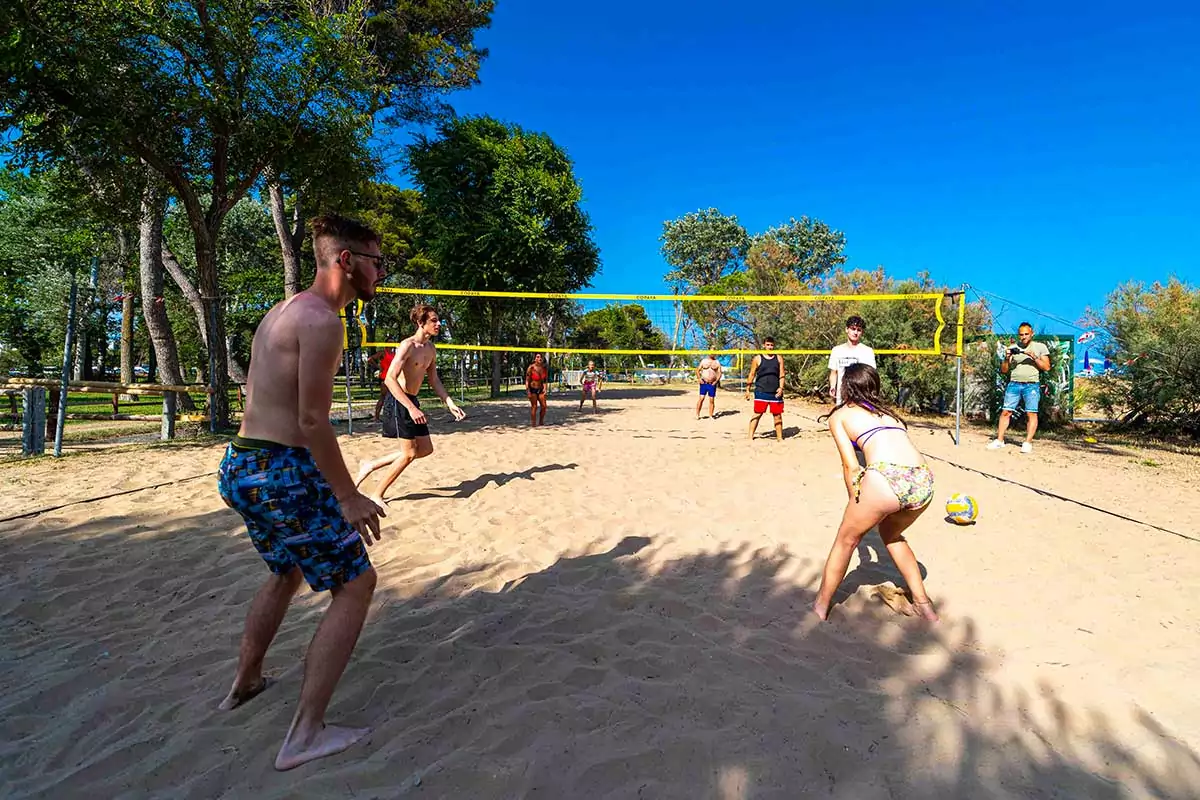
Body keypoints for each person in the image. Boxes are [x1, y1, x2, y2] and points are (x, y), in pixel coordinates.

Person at [216, 214, 388, 770]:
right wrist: (347, 495)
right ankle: (306, 733)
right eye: (376, 261)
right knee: (358, 582)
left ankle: (246, 680)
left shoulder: (285, 309)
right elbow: (314, 422)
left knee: (285, 571)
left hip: (241, 464)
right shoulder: (322, 321)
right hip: (279, 468)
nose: (381, 273)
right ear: (346, 261)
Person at [812, 363, 939, 623]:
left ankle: (820, 608)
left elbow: (851, 465)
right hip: (923, 480)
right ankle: (925, 607)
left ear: (846, 388)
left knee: (846, 540)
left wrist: (855, 501)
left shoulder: (840, 415)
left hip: (885, 478)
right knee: (891, 534)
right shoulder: (891, 415)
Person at [354, 304, 466, 502]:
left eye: (438, 320)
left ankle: (370, 465)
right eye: (433, 320)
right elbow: (390, 378)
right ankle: (376, 495)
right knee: (408, 454)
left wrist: (449, 402)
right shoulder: (408, 345)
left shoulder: (431, 348)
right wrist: (411, 407)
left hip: (412, 401)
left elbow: (434, 380)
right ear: (420, 323)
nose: (438, 324)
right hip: (400, 401)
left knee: (424, 449)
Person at [987, 322, 1051, 454]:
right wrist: (1007, 358)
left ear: (1032, 333)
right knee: (1006, 412)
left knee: (1031, 413)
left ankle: (1027, 442)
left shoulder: (1040, 347)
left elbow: (1047, 367)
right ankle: (999, 440)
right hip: (1014, 384)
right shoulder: (1013, 347)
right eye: (1021, 334)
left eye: (1026, 334)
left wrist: (1033, 357)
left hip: (1031, 384)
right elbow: (1004, 370)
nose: (1024, 337)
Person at [828, 315, 876, 404]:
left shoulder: (868, 351)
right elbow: (833, 373)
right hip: (842, 398)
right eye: (853, 329)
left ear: (862, 332)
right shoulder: (836, 350)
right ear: (847, 329)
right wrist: (832, 387)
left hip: (862, 399)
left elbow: (871, 376)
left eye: (859, 330)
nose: (855, 332)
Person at [744, 337, 785, 441]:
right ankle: (750, 436)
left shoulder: (779, 358)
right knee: (757, 414)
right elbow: (752, 374)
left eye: (771, 345)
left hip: (775, 392)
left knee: (777, 416)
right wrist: (747, 389)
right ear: (764, 345)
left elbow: (782, 375)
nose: (770, 347)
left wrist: (781, 387)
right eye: (768, 345)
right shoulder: (758, 358)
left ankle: (780, 438)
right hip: (761, 391)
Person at [369, 348, 396, 421]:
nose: (391, 344)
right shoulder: (383, 352)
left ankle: (392, 416)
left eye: (392, 342)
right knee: (383, 396)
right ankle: (376, 416)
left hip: (393, 377)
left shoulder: (394, 354)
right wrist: (378, 367)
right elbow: (370, 359)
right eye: (389, 342)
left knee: (395, 397)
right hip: (384, 377)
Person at [695, 354, 723, 420]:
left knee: (711, 400)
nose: (712, 353)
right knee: (701, 399)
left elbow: (720, 373)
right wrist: (699, 379)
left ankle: (710, 415)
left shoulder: (717, 362)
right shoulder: (704, 361)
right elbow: (697, 370)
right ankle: (697, 414)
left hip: (712, 384)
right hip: (704, 383)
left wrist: (716, 381)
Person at [526, 353, 549, 427]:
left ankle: (541, 421)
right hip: (532, 389)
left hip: (540, 389)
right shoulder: (531, 368)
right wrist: (528, 390)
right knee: (534, 406)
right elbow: (527, 380)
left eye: (540, 357)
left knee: (544, 406)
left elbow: (544, 380)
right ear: (535, 359)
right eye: (538, 357)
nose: (539, 358)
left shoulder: (543, 368)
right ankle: (533, 423)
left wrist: (545, 388)